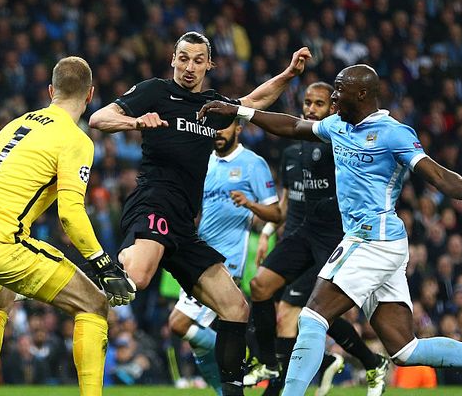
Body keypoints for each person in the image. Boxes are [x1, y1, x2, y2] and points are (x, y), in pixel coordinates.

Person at [197, 64, 462, 396]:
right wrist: (239, 111)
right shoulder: (338, 125)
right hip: (375, 243)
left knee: (313, 318)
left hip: (372, 239)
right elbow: (291, 126)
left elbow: (435, 174)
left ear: (362, 93)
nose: (333, 98)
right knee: (405, 349)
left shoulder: (394, 133)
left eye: (339, 90)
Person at [89, 31, 311, 395]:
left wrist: (288, 74)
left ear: (210, 64)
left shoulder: (212, 106)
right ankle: (98, 269)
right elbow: (99, 118)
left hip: (185, 227)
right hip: (154, 200)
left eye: (197, 60)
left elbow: (255, 100)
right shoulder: (154, 92)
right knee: (140, 278)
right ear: (172, 60)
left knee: (236, 307)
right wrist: (136, 122)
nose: (189, 67)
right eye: (183, 58)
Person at [0, 56, 134, 396]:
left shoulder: (14, 125)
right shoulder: (75, 140)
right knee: (93, 304)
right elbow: (70, 214)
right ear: (91, 95)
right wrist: (103, 264)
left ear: (51, 90)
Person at [246, 82, 389, 396]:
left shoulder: (338, 146)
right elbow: (285, 203)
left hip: (332, 240)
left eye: (319, 104)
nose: (311, 108)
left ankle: (281, 387)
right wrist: (267, 233)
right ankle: (271, 363)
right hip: (299, 234)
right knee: (260, 287)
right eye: (308, 102)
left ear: (332, 110)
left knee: (295, 315)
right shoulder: (290, 154)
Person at [167, 119, 281, 395]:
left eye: (225, 126)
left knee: (179, 323)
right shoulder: (205, 163)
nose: (218, 132)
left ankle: (240, 351)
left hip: (226, 262)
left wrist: (250, 204)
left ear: (238, 128)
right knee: (192, 335)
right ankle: (229, 372)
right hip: (200, 257)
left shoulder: (253, 164)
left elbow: (276, 214)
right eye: (214, 127)